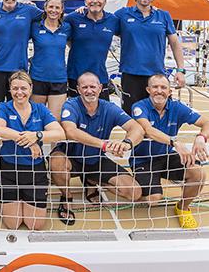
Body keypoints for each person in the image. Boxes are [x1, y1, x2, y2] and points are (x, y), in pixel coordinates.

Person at [49, 72, 143, 224]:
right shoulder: (71, 105)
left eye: (93, 86)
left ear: (100, 88)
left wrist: (127, 143)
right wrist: (104, 144)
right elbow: (70, 131)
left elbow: (137, 128)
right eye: (84, 87)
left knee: (134, 192)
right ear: (78, 89)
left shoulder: (110, 108)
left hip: (96, 159)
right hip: (71, 156)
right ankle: (66, 197)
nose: (89, 90)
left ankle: (91, 180)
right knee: (56, 163)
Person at [131, 74, 209, 229]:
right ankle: (144, 183)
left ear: (170, 91)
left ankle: (183, 208)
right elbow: (148, 130)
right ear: (148, 90)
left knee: (198, 173)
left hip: (166, 156)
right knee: (154, 199)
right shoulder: (139, 106)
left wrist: (201, 137)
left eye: (163, 87)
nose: (159, 91)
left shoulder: (177, 107)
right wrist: (174, 142)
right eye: (155, 87)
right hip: (143, 159)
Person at [0, 71, 64, 230]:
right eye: (15, 88)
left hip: (34, 170)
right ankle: (20, 201)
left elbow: (59, 133)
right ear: (10, 90)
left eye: (23, 88)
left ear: (31, 89)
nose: (19, 92)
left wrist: (37, 136)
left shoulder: (40, 109)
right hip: (9, 169)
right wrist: (29, 142)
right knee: (13, 224)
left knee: (35, 225)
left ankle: (25, 201)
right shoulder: (4, 107)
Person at [115, 0, 186, 114]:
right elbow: (100, 22)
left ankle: (158, 137)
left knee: (159, 114)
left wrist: (180, 70)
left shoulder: (163, 16)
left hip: (156, 75)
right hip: (131, 75)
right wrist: (83, 11)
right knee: (132, 116)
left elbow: (175, 43)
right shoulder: (122, 14)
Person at [65, 0, 120, 99]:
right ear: (85, 2)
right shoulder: (73, 18)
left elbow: (130, 33)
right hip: (75, 75)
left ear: (105, 1)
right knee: (77, 113)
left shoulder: (113, 20)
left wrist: (149, 9)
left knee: (102, 113)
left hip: (100, 76)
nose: (95, 1)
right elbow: (52, 19)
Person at [29, 0, 71, 120]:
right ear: (45, 8)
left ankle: (53, 141)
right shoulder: (35, 26)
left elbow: (73, 45)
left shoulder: (67, 28)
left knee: (55, 121)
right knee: (36, 119)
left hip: (59, 79)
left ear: (62, 10)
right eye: (51, 6)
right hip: (37, 77)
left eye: (57, 7)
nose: (54, 10)